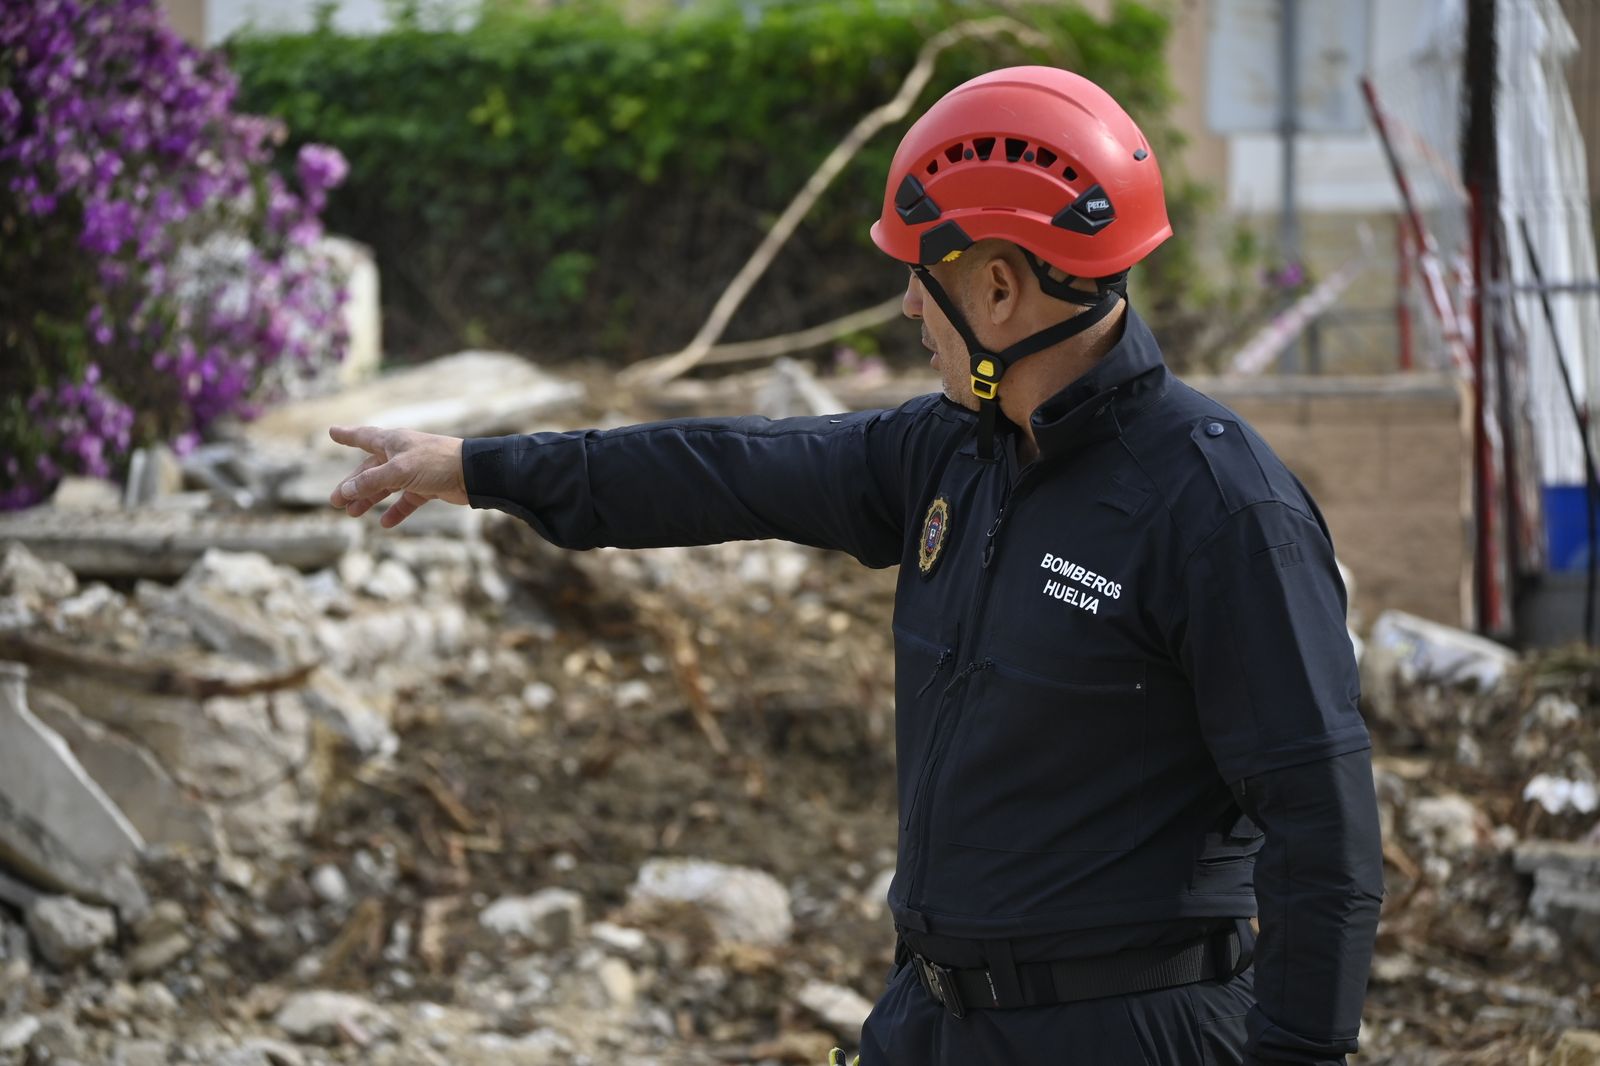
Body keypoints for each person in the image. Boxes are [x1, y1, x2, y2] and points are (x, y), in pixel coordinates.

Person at [327, 66, 1384, 1066]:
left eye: (922, 277)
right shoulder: (952, 453)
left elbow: (1322, 831)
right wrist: (480, 467)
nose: (911, 307)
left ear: (1000, 289)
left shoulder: (1220, 510)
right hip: (931, 1016)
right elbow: (727, 470)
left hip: (1131, 1031)